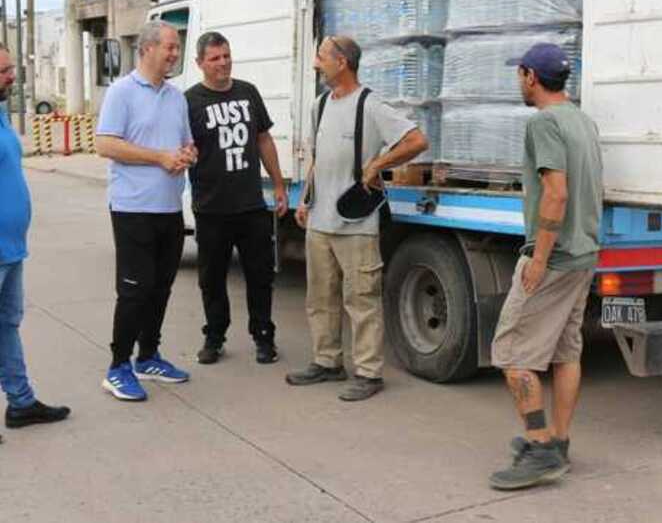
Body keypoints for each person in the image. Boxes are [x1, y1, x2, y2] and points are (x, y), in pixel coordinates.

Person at [286, 35, 428, 401]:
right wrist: (306, 199)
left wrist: (378, 164)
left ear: (342, 63)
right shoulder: (320, 105)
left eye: (321, 58)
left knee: (361, 300)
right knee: (320, 298)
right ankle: (327, 362)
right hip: (319, 221)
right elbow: (318, 157)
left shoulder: (370, 105)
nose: (316, 64)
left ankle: (368, 372)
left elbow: (416, 141)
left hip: (356, 225)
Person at [488, 42, 602, 491]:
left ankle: (538, 449)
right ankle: (559, 440)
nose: (519, 82)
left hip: (553, 259)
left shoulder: (545, 123)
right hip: (583, 255)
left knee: (513, 355)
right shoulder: (583, 121)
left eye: (520, 76)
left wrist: (537, 259)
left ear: (529, 76)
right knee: (566, 352)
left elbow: (556, 193)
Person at [96, 21, 197, 402]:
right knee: (134, 290)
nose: (174, 53)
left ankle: (148, 356)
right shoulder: (121, 92)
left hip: (169, 208)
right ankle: (118, 366)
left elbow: (186, 143)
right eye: (170, 47)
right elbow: (105, 144)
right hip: (132, 208)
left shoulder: (176, 97)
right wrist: (159, 157)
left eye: (176, 48)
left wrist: (188, 154)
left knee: (160, 287)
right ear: (147, 49)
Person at [186, 31, 288, 366]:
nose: (223, 63)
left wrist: (278, 185)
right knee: (211, 281)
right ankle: (214, 337)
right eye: (215, 58)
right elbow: (181, 147)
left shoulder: (248, 93)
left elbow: (263, 140)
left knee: (260, 277)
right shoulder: (189, 102)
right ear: (200, 63)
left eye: (226, 56)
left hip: (250, 206)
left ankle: (263, 337)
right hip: (211, 209)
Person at [0, 43, 70, 442]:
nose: (12, 77)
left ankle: (21, 402)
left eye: (11, 69)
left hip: (11, 248)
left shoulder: (2, 115)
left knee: (8, 324)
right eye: (5, 71)